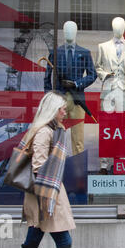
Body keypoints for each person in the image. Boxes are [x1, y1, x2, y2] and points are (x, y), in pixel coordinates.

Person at [21, 91, 76, 248]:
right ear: (54, 109)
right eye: (63, 109)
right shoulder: (44, 132)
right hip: (46, 193)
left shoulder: (54, 130)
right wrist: (48, 198)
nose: (65, 113)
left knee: (33, 240)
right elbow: (39, 165)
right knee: (64, 242)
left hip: (46, 192)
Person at [44, 21, 97, 156]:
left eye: (71, 30)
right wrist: (48, 96)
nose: (69, 33)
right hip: (58, 100)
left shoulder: (84, 52)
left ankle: (77, 169)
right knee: (57, 136)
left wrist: (77, 84)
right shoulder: (56, 52)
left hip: (77, 99)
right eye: (66, 30)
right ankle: (56, 166)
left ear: (76, 32)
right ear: (63, 31)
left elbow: (93, 74)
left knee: (78, 137)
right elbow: (47, 76)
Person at [95, 17, 125, 174]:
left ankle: (122, 161)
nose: (118, 29)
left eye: (121, 27)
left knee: (124, 129)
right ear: (112, 28)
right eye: (116, 26)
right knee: (106, 129)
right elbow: (97, 67)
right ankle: (104, 165)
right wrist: (105, 74)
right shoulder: (103, 47)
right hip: (108, 91)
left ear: (124, 28)